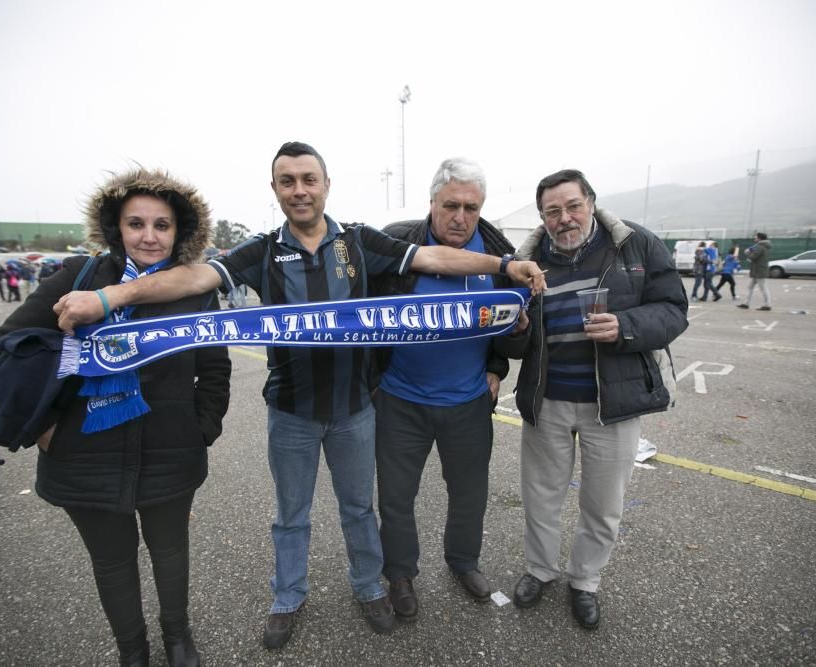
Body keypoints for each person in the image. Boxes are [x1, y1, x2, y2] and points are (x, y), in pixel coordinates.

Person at [54, 141, 546, 650]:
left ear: (326, 186)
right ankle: (287, 596)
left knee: (359, 509)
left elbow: (434, 256)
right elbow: (194, 276)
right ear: (276, 190)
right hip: (291, 411)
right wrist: (111, 296)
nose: (300, 190)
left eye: (309, 179)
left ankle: (367, 586)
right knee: (291, 516)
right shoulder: (263, 249)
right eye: (287, 181)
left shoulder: (357, 242)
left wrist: (506, 266)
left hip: (355, 409)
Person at [0, 168, 230, 666]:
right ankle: (132, 652)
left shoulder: (194, 290)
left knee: (170, 552)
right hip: (83, 455)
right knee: (113, 564)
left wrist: (201, 426)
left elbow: (215, 367)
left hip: (170, 449)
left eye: (162, 225)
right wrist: (48, 425)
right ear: (117, 227)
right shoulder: (77, 276)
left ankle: (178, 638)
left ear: (179, 232)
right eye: (136, 223)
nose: (149, 236)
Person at [509, 169, 688, 630]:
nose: (564, 218)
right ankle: (540, 570)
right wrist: (516, 330)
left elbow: (672, 309)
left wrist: (625, 327)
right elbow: (510, 342)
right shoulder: (525, 261)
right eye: (552, 211)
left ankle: (585, 581)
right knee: (541, 497)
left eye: (572, 206)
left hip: (613, 402)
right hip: (547, 400)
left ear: (590, 201)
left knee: (603, 504)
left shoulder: (635, 244)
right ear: (542, 216)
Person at [369, 158, 527, 621]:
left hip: (468, 404)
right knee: (396, 497)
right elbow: (361, 311)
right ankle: (399, 574)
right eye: (451, 205)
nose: (460, 217)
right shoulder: (396, 242)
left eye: (471, 208)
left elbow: (514, 336)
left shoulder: (501, 254)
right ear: (432, 203)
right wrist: (374, 382)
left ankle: (463, 563)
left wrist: (501, 358)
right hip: (400, 400)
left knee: (469, 494)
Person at [737, 232, 772, 311]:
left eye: (756, 237)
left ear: (759, 238)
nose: (754, 238)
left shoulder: (760, 246)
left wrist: (747, 253)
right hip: (758, 270)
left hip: (759, 271)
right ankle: (746, 304)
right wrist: (751, 251)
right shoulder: (762, 246)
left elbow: (753, 257)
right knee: (750, 287)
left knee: (763, 288)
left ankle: (767, 305)